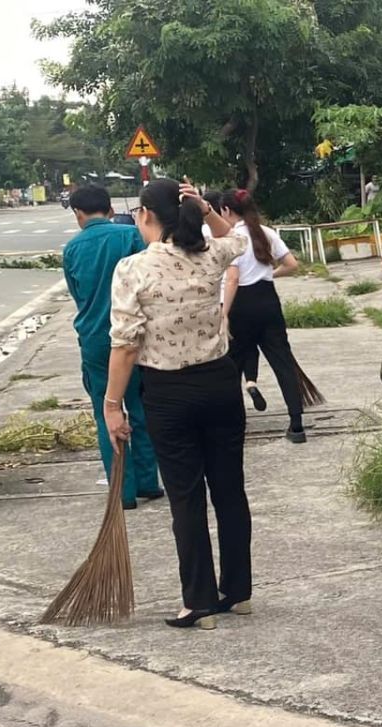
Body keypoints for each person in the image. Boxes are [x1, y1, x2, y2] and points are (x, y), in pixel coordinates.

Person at [103, 178, 248, 630]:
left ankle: (199, 600)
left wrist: (112, 404)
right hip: (222, 384)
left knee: (186, 497)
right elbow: (238, 239)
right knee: (229, 488)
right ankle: (238, 591)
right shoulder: (210, 254)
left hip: (169, 393)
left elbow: (125, 344)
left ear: (145, 214)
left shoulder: (134, 269)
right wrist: (205, 208)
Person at [64, 185, 163, 509]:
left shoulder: (72, 248)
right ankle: (149, 483)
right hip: (134, 336)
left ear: (79, 214)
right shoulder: (129, 236)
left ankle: (123, 491)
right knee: (141, 407)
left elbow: (79, 295)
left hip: (95, 340)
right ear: (109, 208)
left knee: (107, 412)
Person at [208, 188, 312, 443]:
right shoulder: (267, 233)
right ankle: (296, 425)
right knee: (283, 363)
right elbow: (292, 265)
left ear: (226, 211)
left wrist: (224, 313)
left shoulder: (231, 238)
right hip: (268, 301)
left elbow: (232, 279)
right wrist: (268, 276)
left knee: (233, 366)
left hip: (240, 304)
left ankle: (234, 426)